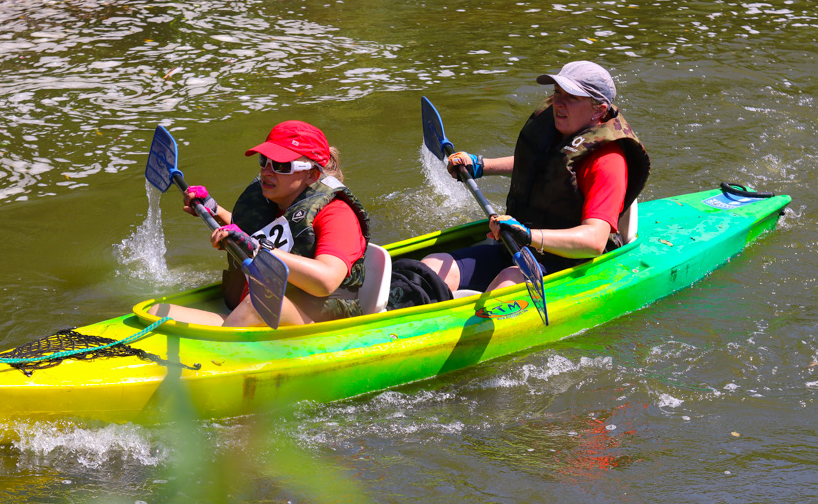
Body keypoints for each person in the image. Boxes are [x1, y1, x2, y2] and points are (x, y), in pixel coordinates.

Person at [422, 60, 650, 293]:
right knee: (432, 265)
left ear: (598, 110)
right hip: (518, 248)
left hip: (570, 264)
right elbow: (539, 164)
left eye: (571, 97)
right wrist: (480, 165)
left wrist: (529, 235)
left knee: (507, 282)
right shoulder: (560, 128)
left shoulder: (608, 161)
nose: (558, 103)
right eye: (557, 92)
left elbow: (594, 241)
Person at [149, 120, 370, 327]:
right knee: (158, 311)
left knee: (259, 304)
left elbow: (326, 281)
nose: (267, 172)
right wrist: (212, 209)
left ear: (312, 175)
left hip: (319, 325)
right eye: (265, 162)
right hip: (258, 312)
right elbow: (261, 233)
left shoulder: (338, 214)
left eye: (282, 166)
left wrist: (256, 248)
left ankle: (216, 354)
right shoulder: (277, 199)